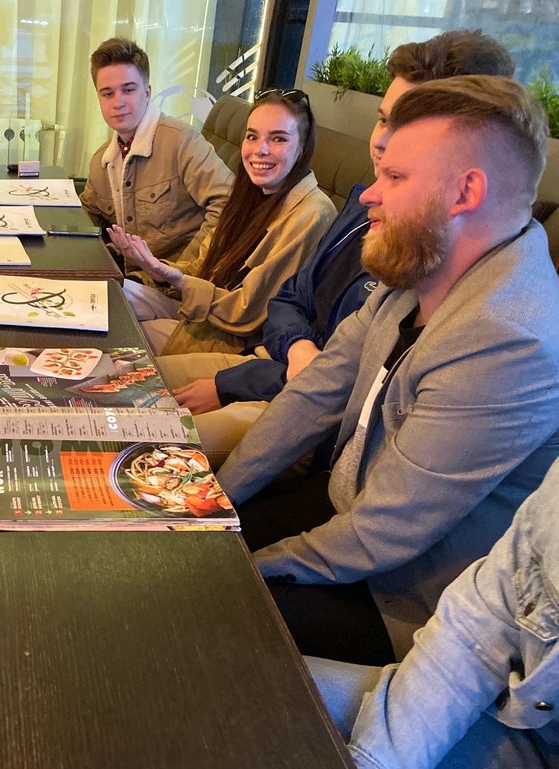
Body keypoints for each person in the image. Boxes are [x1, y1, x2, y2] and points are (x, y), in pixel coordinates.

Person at [216, 75, 559, 666]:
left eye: (395, 178)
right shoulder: (422, 266)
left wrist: (241, 571)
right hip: (344, 509)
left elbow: (383, 534)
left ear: (464, 192)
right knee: (170, 544)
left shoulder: (509, 340)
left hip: (410, 601)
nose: (369, 195)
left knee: (200, 605)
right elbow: (311, 398)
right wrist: (211, 504)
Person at [154, 30, 516, 467]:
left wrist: (234, 382)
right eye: (383, 119)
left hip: (294, 403)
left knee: (151, 436)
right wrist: (297, 347)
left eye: (407, 126)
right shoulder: (360, 204)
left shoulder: (438, 255)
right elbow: (289, 301)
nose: (382, 141)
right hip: (271, 366)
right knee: (128, 381)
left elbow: (345, 385)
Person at [307, 458, 559, 769]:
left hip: (404, 595)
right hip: (528, 728)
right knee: (258, 685)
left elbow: (385, 526)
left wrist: (263, 564)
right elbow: (477, 626)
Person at [110, 89, 336, 355]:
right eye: (252, 136)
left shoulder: (312, 214)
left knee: (120, 332)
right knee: (109, 296)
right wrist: (158, 269)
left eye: (278, 139)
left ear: (302, 147)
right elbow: (200, 267)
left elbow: (250, 311)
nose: (260, 150)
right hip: (197, 309)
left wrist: (180, 281)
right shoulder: (251, 194)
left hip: (231, 337)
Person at [79, 38, 233, 265]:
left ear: (147, 92)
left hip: (175, 280)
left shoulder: (182, 141)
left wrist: (183, 270)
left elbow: (229, 204)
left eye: (128, 90)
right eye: (107, 93)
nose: (118, 102)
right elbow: (88, 212)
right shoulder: (103, 160)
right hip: (128, 274)